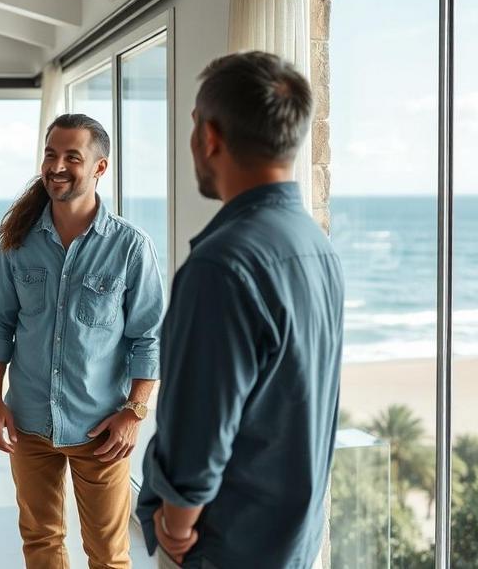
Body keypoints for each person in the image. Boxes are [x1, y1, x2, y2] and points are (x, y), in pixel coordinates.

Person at [137, 51, 345, 569]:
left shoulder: (221, 266)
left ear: (210, 137)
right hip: (292, 540)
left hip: (226, 544)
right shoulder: (317, 245)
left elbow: (200, 431)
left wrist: (175, 525)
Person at [0, 113, 165, 568]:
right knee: (40, 542)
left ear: (99, 168)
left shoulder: (130, 246)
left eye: (71, 157)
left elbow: (149, 338)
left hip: (99, 428)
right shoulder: (18, 243)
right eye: (50, 154)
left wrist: (134, 413)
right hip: (29, 423)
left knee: (108, 554)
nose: (57, 166)